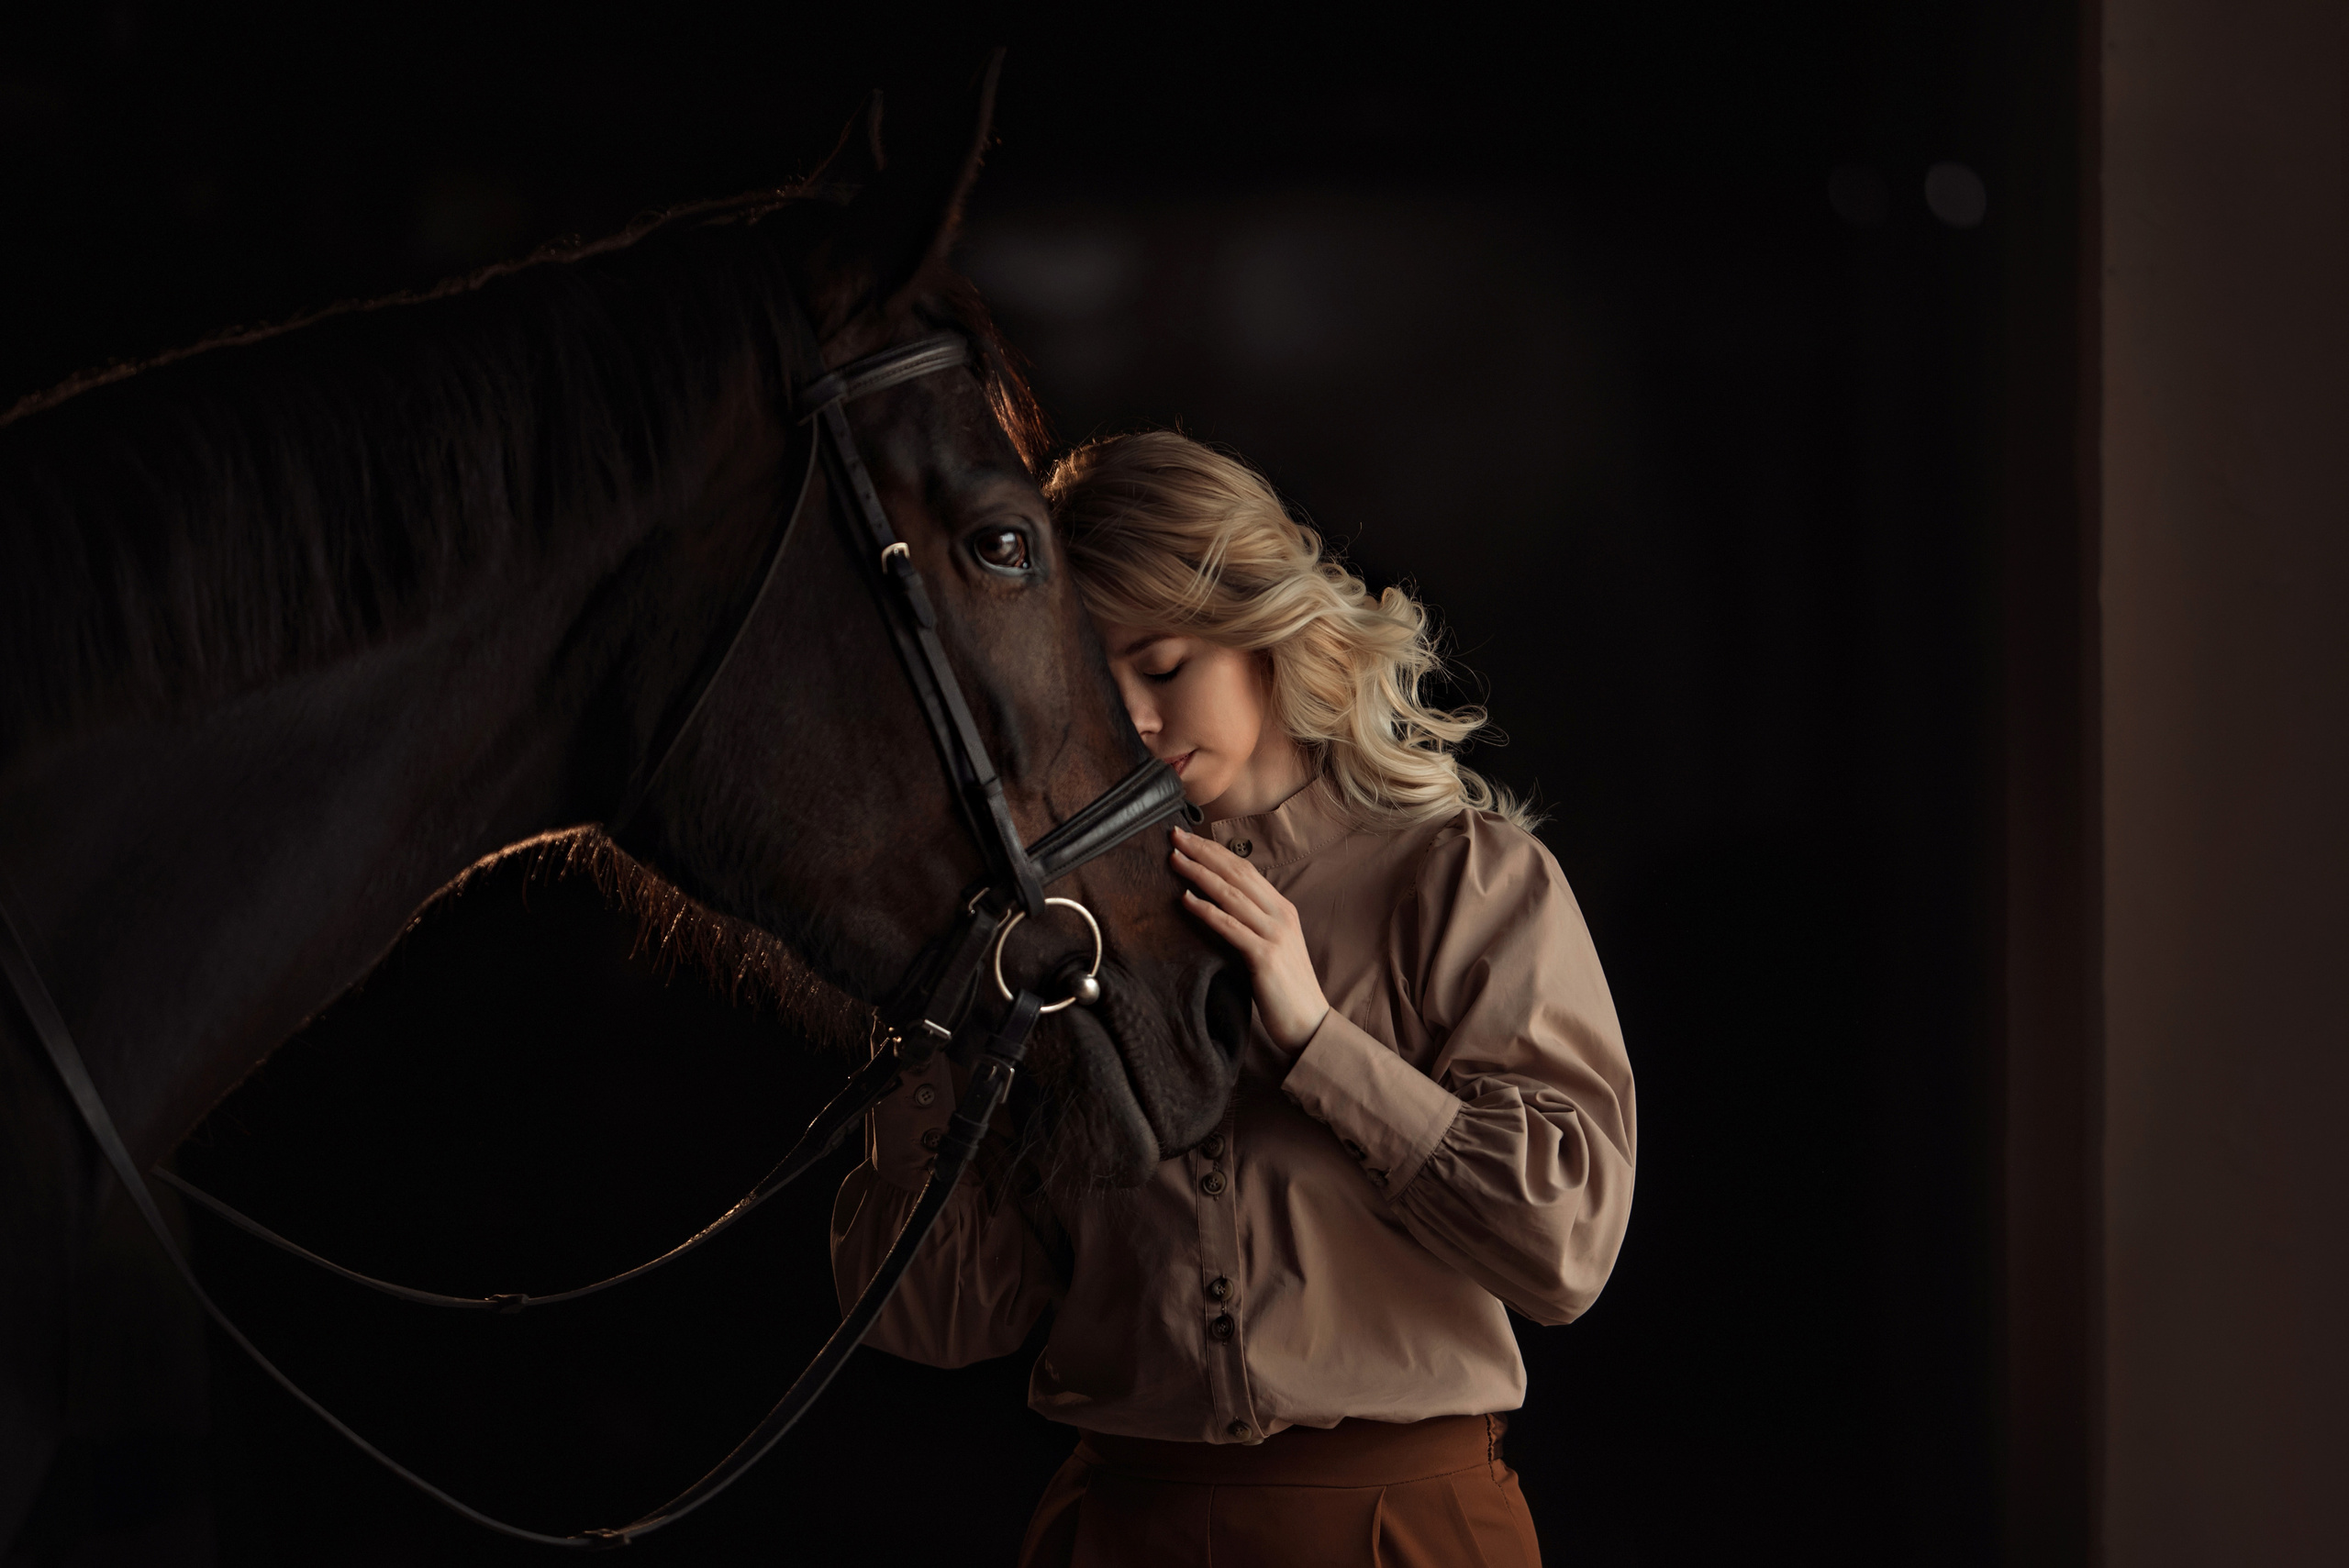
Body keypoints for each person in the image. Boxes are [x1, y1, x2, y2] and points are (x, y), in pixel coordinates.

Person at [831, 430, 1636, 1567]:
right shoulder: (1049, 934)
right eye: (1087, 685)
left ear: (1266, 631)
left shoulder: (1464, 879)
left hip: (1401, 1532)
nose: (1134, 725)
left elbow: (1564, 1249)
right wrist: (920, 1018)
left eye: (1161, 667)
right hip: (1118, 1528)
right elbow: (939, 1316)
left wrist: (1316, 1038)